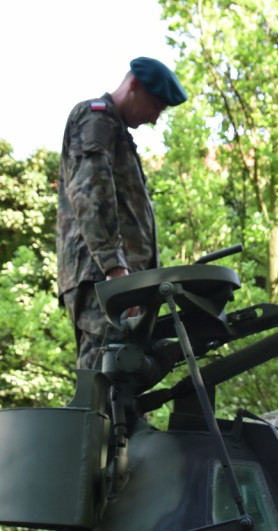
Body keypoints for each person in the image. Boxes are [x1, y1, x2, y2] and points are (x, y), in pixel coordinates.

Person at [56, 57, 187, 368]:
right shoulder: (95, 117)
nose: (155, 118)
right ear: (134, 86)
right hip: (102, 278)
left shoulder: (117, 133)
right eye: (155, 105)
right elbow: (90, 193)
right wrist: (115, 270)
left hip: (120, 282)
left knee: (125, 377)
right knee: (103, 376)